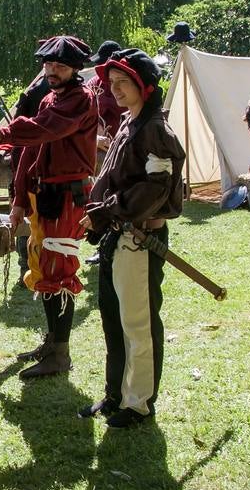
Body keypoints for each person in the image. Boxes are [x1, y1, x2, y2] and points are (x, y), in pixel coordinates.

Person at [0, 35, 98, 379]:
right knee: (42, 266)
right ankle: (52, 342)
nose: (52, 71)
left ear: (75, 69)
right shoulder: (51, 99)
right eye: (48, 64)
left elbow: (42, 130)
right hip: (44, 196)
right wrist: (18, 199)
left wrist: (0, 132)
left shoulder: (80, 100)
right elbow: (29, 152)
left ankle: (60, 353)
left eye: (60, 65)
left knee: (58, 269)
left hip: (66, 197)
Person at [78, 49, 185, 428]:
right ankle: (115, 395)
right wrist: (98, 215)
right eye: (113, 84)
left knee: (137, 323)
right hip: (116, 237)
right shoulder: (128, 123)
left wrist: (109, 209)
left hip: (139, 238)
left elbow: (156, 188)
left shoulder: (156, 128)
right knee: (112, 319)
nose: (116, 89)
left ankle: (139, 403)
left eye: (124, 83)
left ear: (145, 86)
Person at [87, 40, 125, 139]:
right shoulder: (94, 83)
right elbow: (84, 111)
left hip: (123, 140)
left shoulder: (127, 85)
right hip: (95, 142)